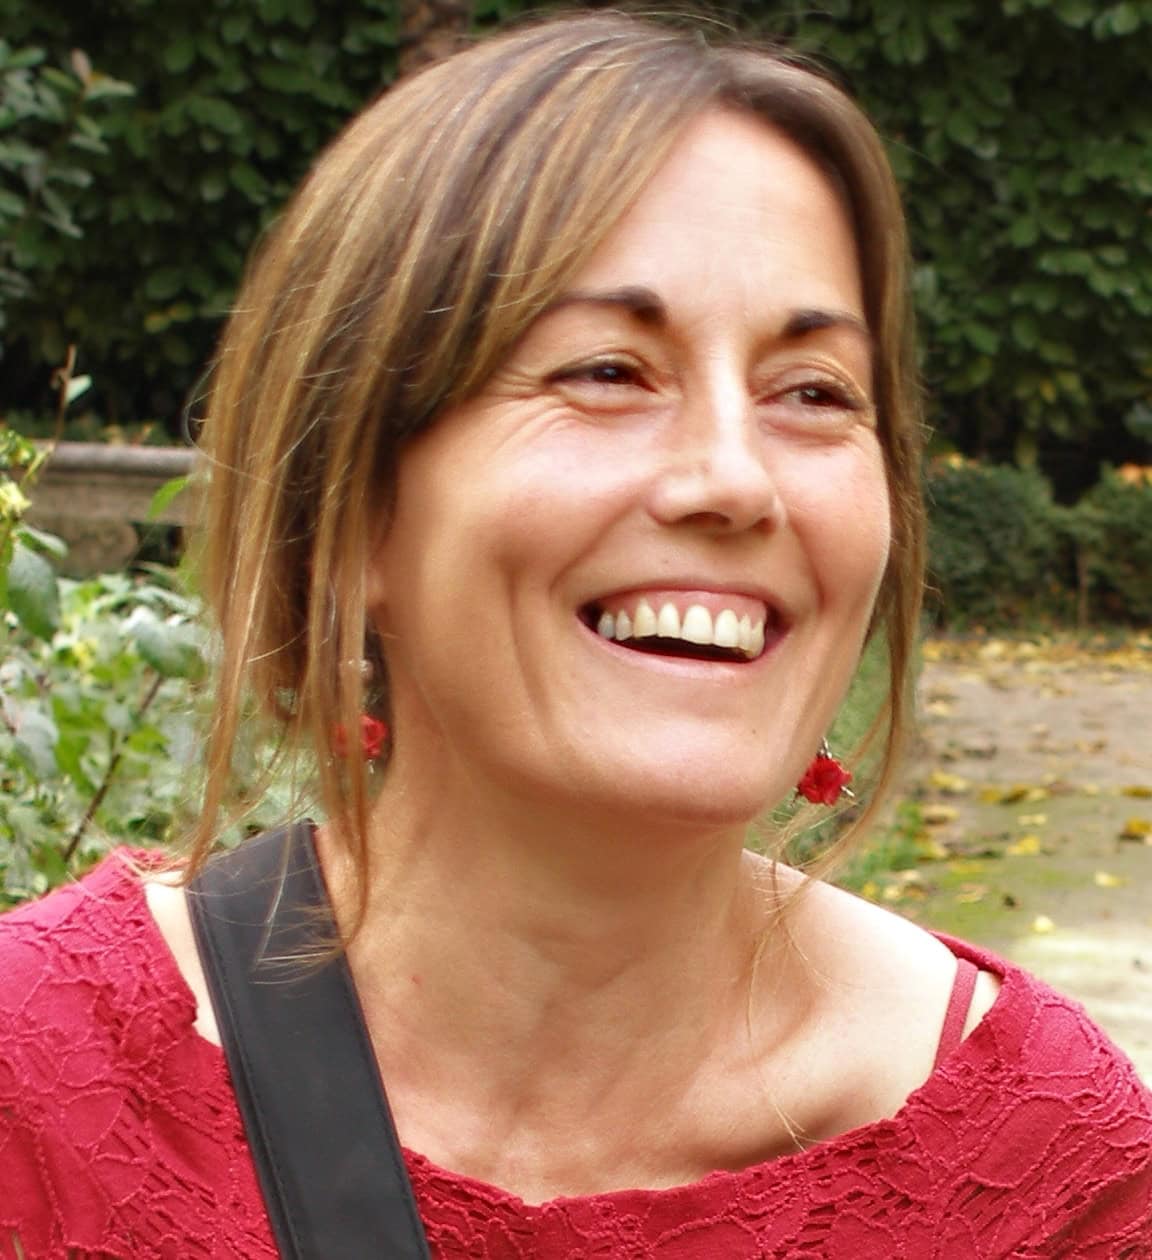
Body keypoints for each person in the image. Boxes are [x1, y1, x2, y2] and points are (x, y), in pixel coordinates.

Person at [1, 13, 1149, 1258]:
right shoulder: (42, 1090)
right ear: (355, 515)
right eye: (607, 372)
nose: (734, 480)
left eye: (814, 392)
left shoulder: (1044, 1174)